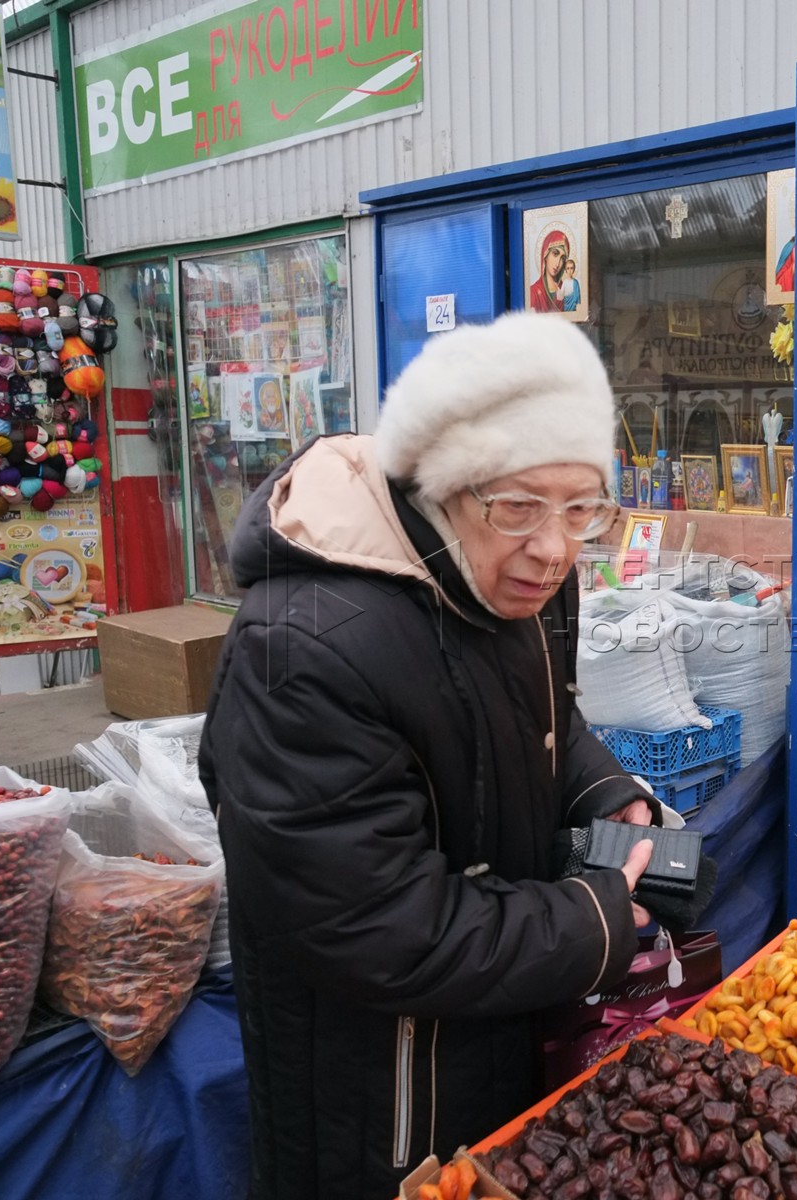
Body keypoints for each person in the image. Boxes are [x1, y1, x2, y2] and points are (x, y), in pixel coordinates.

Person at [199, 313, 660, 1199]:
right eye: (519, 507)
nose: (556, 547)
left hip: (496, 1038)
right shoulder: (299, 650)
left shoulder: (510, 584)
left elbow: (538, 721)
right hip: (377, 1108)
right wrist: (591, 924)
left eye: (582, 508)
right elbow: (372, 927)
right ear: (438, 491)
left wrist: (603, 790)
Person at [528, 229, 570, 312]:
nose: (558, 263)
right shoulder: (534, 292)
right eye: (555, 254)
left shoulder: (566, 291)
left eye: (562, 258)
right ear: (545, 254)